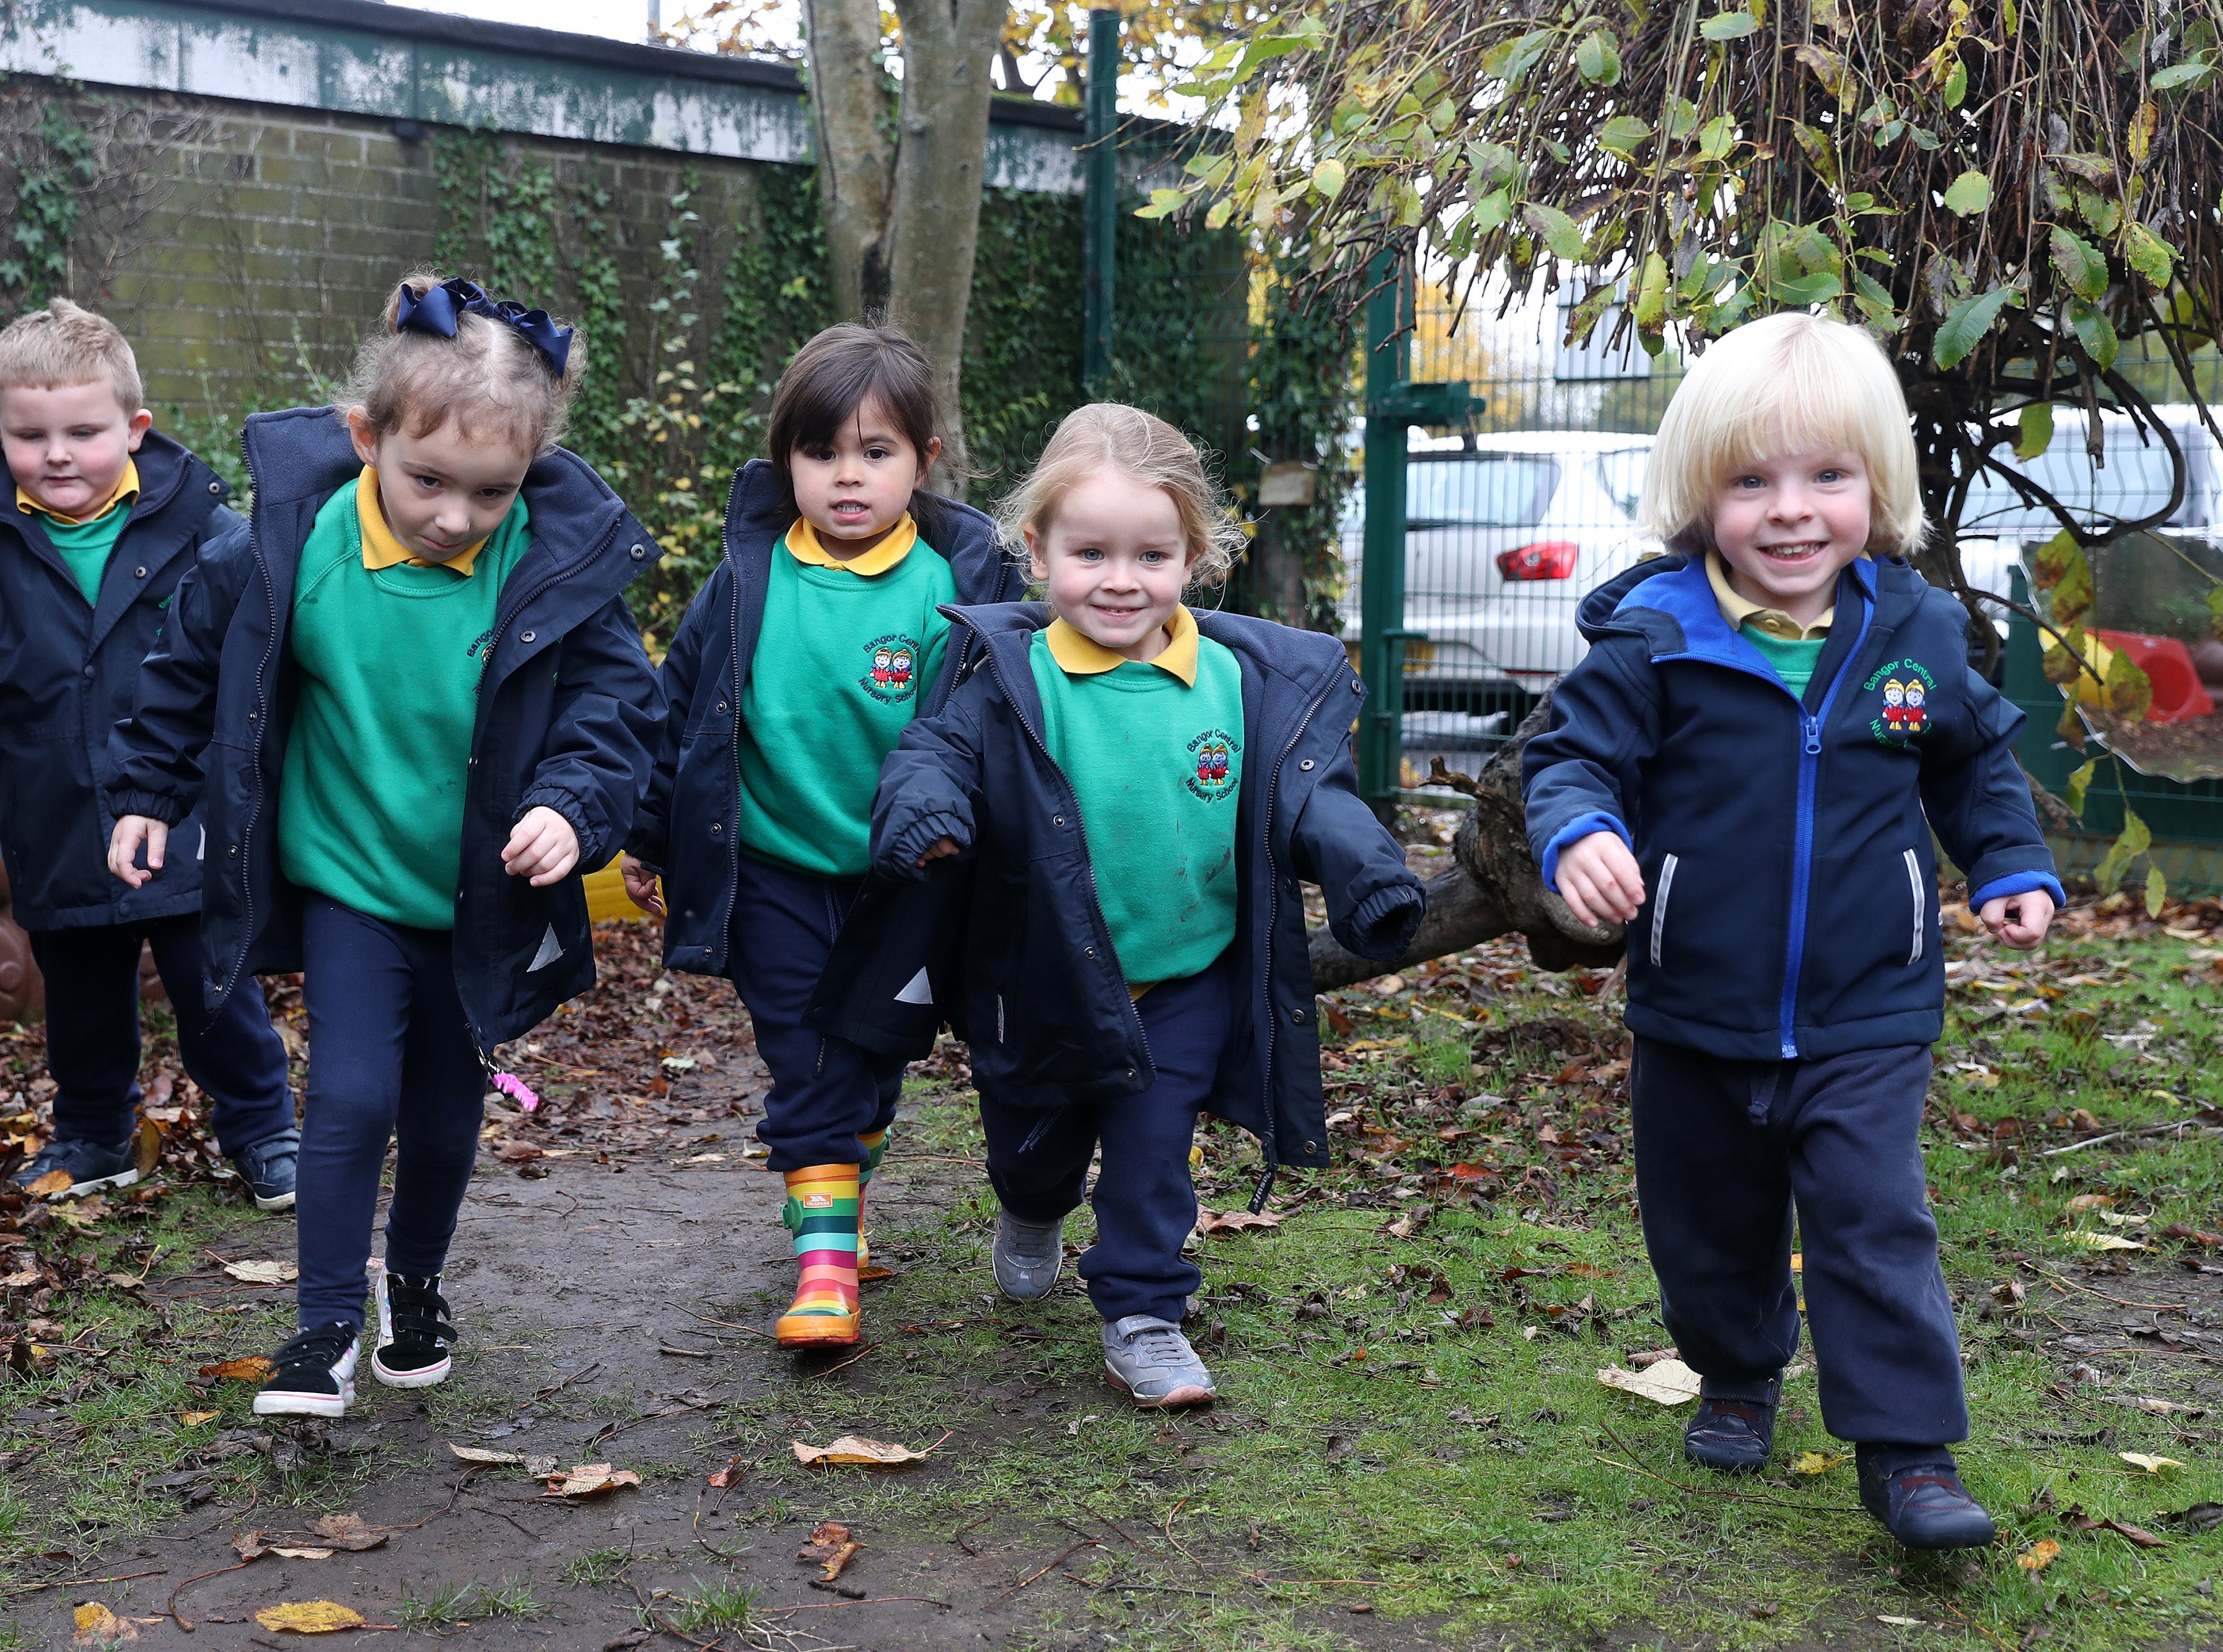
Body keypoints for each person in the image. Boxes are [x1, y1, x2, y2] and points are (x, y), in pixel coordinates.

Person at [1522, 311, 2063, 1550]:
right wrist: (1575, 832)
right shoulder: (1652, 636)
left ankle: (1907, 1452)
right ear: (1699, 494)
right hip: (1693, 998)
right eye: (1750, 480)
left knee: (1871, 1214)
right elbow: (1566, 759)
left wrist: (2009, 859)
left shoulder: (1911, 633)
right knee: (1704, 1221)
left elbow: (1975, 761)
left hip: (1865, 1002)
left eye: (1826, 476)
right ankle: (1734, 1370)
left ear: (1875, 487)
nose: (1789, 511)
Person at [105, 273, 665, 1418]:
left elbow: (615, 711)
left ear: (532, 475)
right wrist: (148, 794)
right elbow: (182, 669)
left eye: (492, 492)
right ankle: (320, 1330)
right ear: (367, 435)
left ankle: (416, 1285)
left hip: (476, 898)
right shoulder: (281, 548)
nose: (455, 514)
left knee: (447, 1115)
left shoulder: (554, 568)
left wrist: (571, 803)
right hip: (351, 885)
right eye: (428, 481)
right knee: (353, 1096)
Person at [836, 402, 1425, 1407]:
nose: (1120, 579)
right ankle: (1030, 1209)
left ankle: (1145, 1311)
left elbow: (1307, 792)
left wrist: (1369, 874)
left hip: (1183, 977)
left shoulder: (1235, 684)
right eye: (1091, 552)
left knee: (1154, 1156)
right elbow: (935, 754)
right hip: (1039, 978)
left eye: (1151, 555)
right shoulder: (1012, 677)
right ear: (1038, 549)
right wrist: (925, 819)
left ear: (1193, 556)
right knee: (1034, 1151)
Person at [623, 322, 1022, 1348]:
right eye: (821, 453)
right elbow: (681, 712)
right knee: (808, 1061)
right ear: (783, 461)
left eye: (876, 453)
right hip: (776, 873)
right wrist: (653, 835)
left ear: (923, 463)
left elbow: (994, 734)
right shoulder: (746, 580)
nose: (849, 477)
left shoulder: (958, 590)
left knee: (875, 1060)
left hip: (907, 884)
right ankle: (824, 1268)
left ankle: (837, 1177)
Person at [0, 300, 297, 1207]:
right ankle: (95, 1133)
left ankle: (264, 1126)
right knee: (82, 999)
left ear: (135, 427)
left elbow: (269, 650)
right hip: (56, 814)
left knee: (214, 984)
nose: (58, 453)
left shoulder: (206, 534)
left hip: (180, 812)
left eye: (84, 432)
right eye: (30, 433)